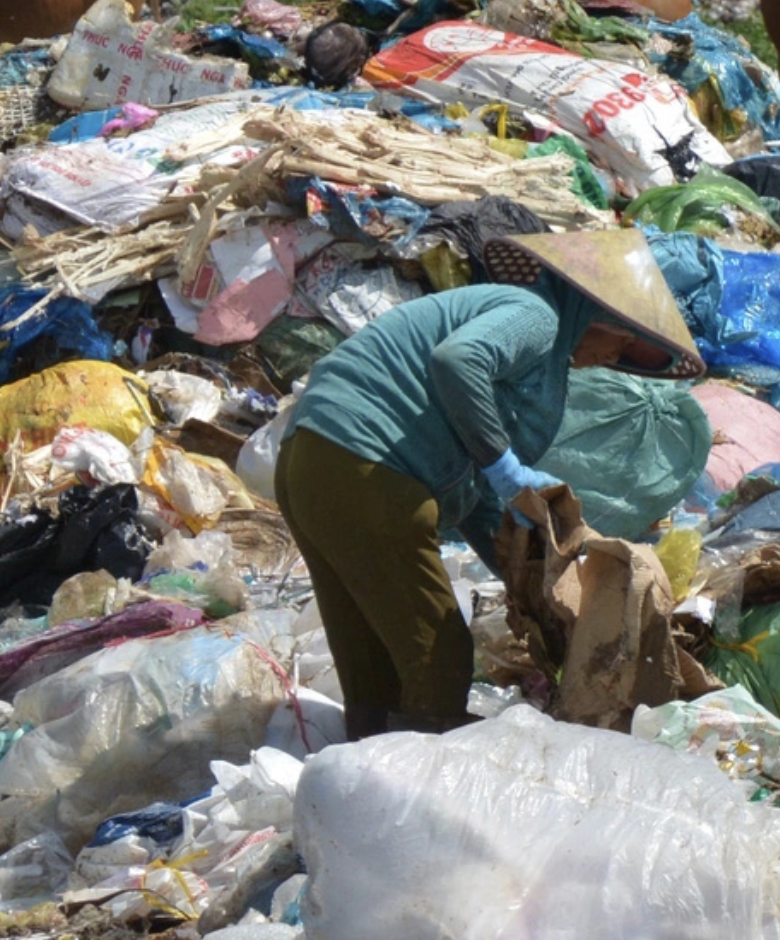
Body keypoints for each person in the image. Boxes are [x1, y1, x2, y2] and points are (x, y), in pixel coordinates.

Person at [273, 228, 704, 740]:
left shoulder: (529, 339)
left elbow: (478, 492)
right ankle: (419, 802)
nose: (613, 358)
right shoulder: (537, 315)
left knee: (372, 663)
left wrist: (528, 577)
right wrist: (508, 470)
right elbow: (459, 361)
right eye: (621, 342)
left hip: (310, 462)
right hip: (370, 465)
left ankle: (359, 790)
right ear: (598, 315)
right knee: (440, 655)